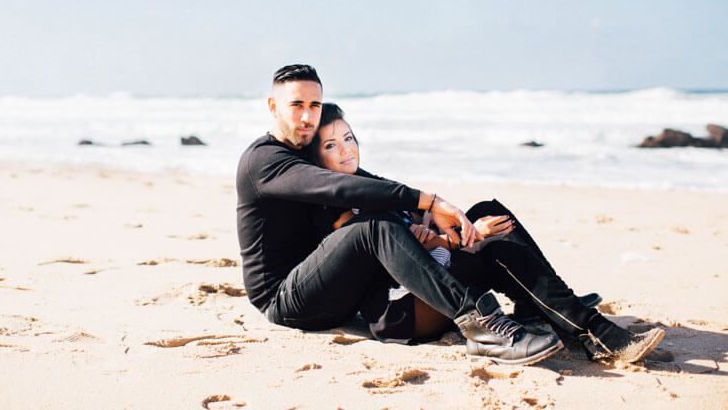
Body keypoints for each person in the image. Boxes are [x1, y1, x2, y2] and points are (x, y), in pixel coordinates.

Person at [236, 64, 563, 366]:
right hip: (286, 301)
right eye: (296, 105)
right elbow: (342, 189)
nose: (307, 116)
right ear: (273, 106)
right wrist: (430, 202)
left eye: (315, 105)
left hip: (333, 284)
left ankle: (550, 304)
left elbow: (372, 185)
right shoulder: (264, 161)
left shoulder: (309, 150)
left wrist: (426, 214)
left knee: (465, 218)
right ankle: (480, 326)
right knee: (373, 228)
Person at [305, 101, 665, 363]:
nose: (345, 150)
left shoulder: (367, 183)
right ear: (316, 159)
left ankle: (547, 308)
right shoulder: (334, 208)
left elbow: (418, 217)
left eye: (349, 138)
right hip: (401, 309)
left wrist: (444, 224)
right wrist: (458, 238)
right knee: (496, 248)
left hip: (434, 279)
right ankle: (590, 329)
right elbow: (388, 261)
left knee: (488, 213)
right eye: (330, 145)